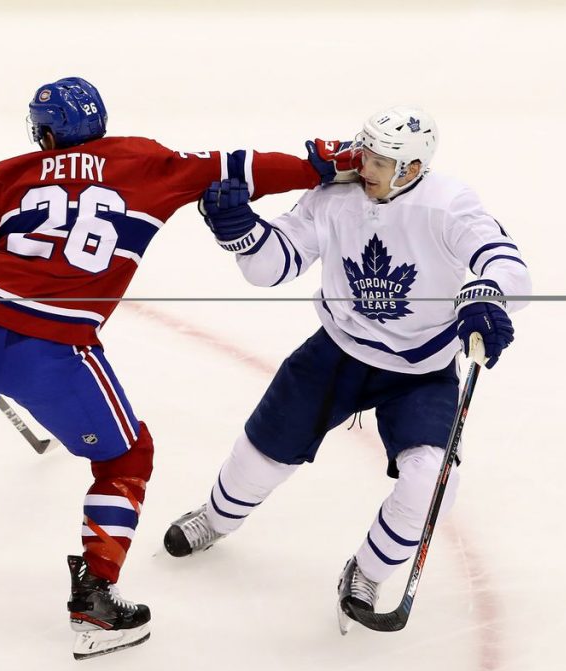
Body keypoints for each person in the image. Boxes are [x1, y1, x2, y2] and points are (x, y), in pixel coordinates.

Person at [0, 76, 352, 658]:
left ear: (44, 133)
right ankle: (95, 599)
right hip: (51, 349)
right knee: (125, 457)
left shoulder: (10, 172)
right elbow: (241, 167)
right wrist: (317, 165)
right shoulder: (144, 161)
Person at [163, 106, 532, 631]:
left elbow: (508, 266)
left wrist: (486, 296)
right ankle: (217, 518)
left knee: (432, 481)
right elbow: (273, 267)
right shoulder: (333, 195)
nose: (364, 167)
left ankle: (368, 571)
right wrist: (241, 230)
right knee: (264, 449)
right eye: (365, 153)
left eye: (380, 161)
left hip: (421, 371)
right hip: (336, 353)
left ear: (411, 168)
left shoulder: (448, 204)